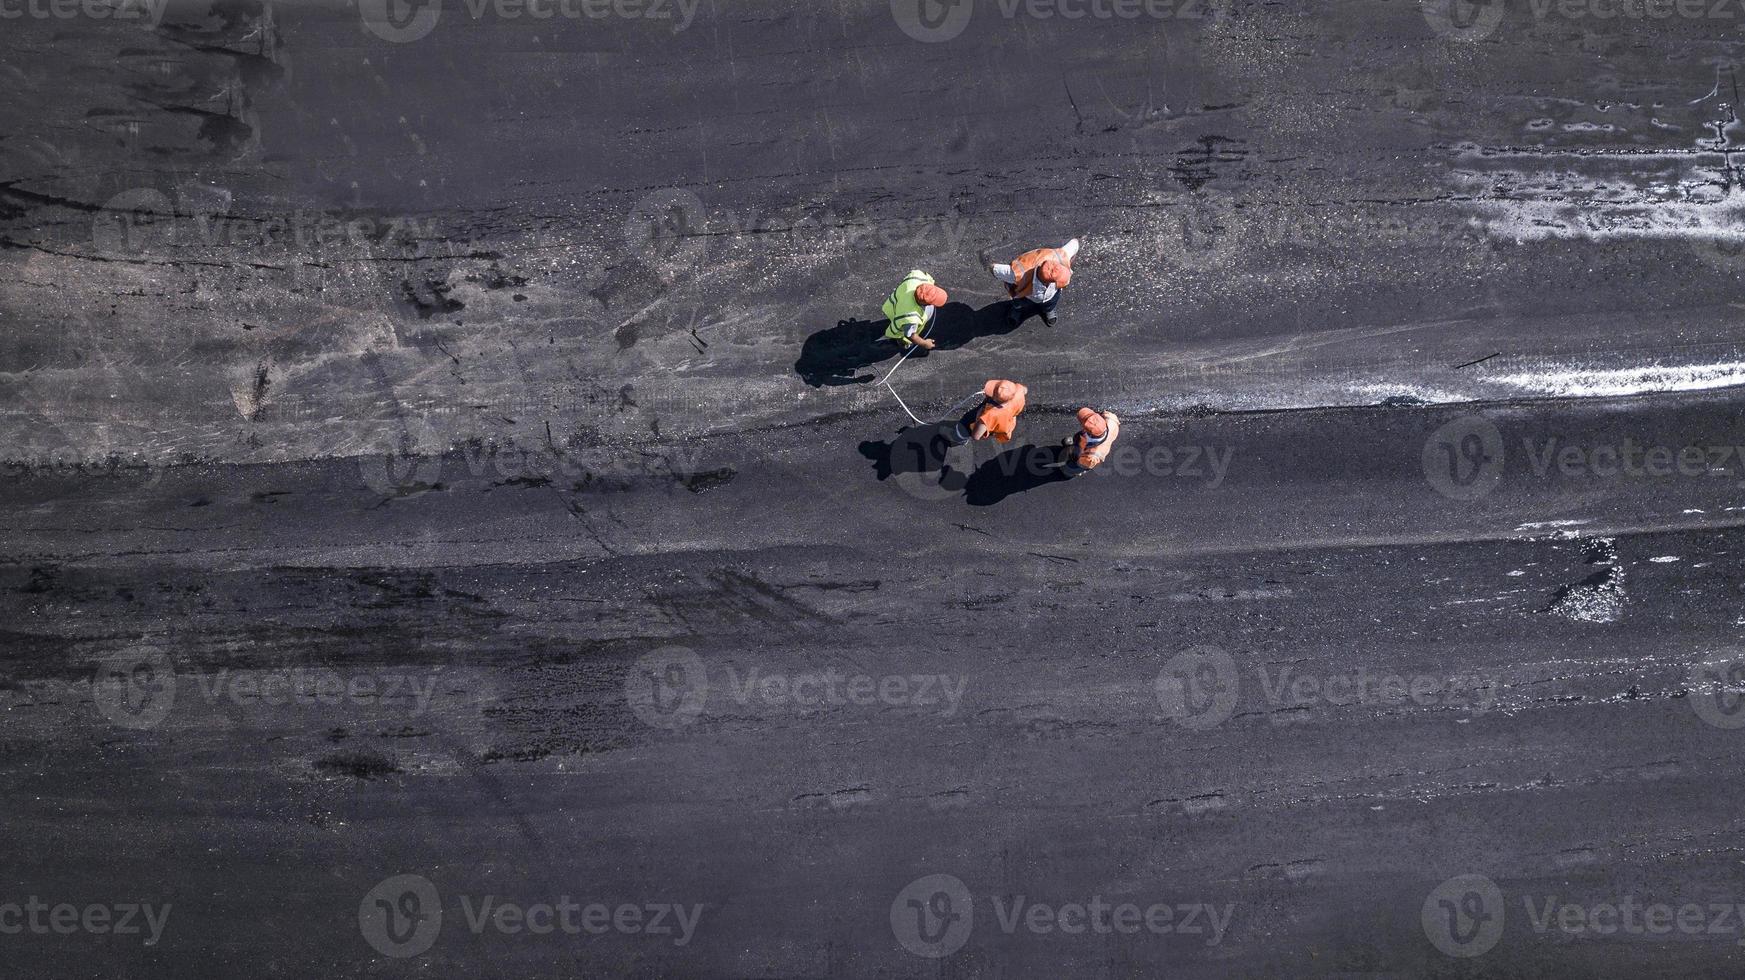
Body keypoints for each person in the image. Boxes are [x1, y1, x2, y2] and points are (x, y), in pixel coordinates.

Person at [991, 238, 1080, 327]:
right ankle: (1017, 309)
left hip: (1050, 295)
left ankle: (1048, 309)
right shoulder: (1020, 273)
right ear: (1048, 281)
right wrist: (992, 267)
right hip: (1024, 295)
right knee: (1018, 302)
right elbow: (995, 269)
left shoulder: (1060, 256)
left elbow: (1074, 244)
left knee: (1050, 302)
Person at [881, 270, 948, 350]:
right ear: (925, 304)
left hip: (893, 305)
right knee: (901, 331)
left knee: (898, 316)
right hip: (900, 316)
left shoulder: (916, 276)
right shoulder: (911, 318)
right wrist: (925, 343)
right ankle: (901, 341)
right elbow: (910, 335)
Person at [948, 379, 1028, 445]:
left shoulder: (989, 416)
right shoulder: (1018, 391)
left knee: (964, 428)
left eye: (993, 390)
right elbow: (1025, 390)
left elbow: (976, 436)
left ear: (996, 398)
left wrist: (979, 417)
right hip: (1007, 419)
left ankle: (959, 438)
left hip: (987, 421)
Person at [1063, 407, 1119, 476]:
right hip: (1087, 444)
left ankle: (1076, 471)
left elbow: (1085, 463)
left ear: (1088, 432)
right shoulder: (1110, 418)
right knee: (1077, 444)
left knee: (1068, 469)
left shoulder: (1092, 456)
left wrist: (1079, 463)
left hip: (1086, 459)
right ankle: (1074, 450)